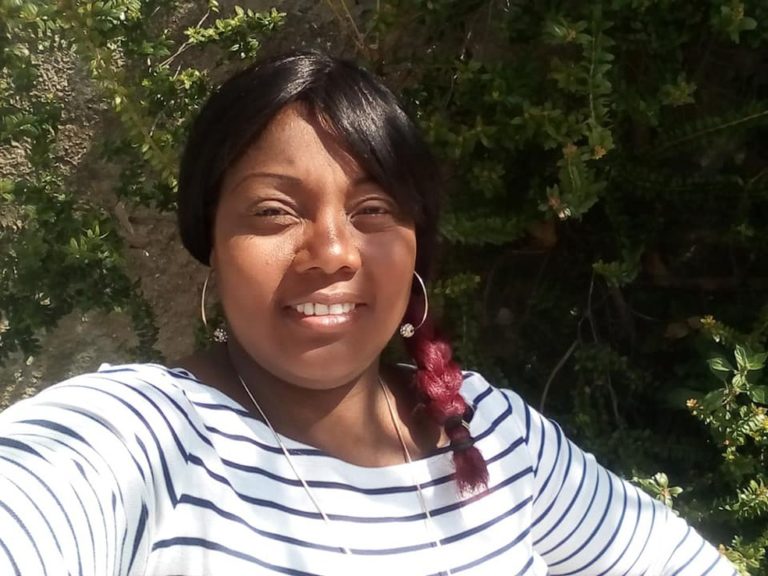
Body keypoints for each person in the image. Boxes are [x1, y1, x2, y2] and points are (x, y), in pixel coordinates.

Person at [0, 51, 736, 576]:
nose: (332, 252)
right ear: (212, 244)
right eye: (273, 211)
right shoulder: (143, 442)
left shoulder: (491, 432)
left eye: (374, 209)